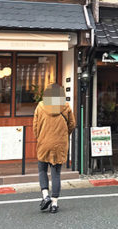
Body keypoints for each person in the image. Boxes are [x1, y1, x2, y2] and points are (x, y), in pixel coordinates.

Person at [33, 84, 76, 214]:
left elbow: (35, 126)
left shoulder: (40, 106)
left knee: (42, 170)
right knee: (56, 173)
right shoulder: (66, 106)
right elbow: (72, 125)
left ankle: (45, 196)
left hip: (44, 143)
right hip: (59, 145)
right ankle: (54, 204)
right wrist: (63, 136)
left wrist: (40, 137)